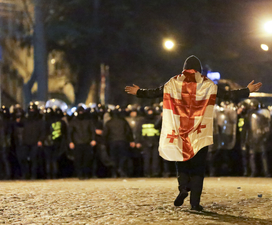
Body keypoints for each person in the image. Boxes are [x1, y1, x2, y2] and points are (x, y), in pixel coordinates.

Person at [125, 55, 261, 211]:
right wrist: (247, 91)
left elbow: (155, 92)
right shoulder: (207, 84)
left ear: (184, 67)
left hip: (179, 131)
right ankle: (195, 204)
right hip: (199, 132)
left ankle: (183, 188)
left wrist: (139, 92)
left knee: (181, 161)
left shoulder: (173, 82)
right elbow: (228, 95)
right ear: (199, 69)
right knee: (198, 168)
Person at [68, 106, 96, 179]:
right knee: (78, 159)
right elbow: (70, 132)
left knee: (86, 159)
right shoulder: (74, 121)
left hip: (86, 142)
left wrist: (93, 139)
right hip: (78, 143)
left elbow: (92, 131)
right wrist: (71, 141)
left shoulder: (88, 121)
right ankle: (80, 174)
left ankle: (85, 174)